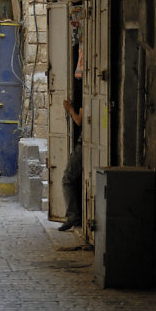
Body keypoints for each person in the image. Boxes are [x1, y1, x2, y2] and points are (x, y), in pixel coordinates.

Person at [58, 97, 83, 231]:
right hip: (85, 145)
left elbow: (79, 121)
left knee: (67, 179)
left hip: (83, 145)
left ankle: (73, 217)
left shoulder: (87, 99)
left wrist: (70, 110)